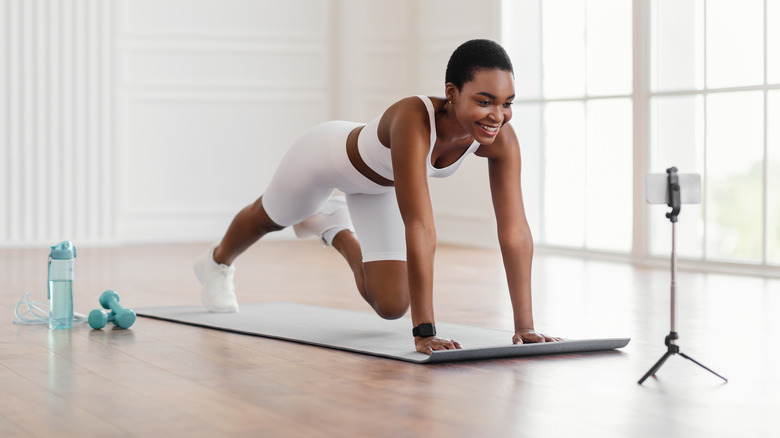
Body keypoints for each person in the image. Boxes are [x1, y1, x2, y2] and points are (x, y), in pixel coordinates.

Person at [194, 39, 561, 355]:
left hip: (378, 188)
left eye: (507, 102)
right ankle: (216, 263)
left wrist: (525, 326)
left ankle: (333, 226)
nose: (498, 115)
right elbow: (419, 224)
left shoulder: (501, 140)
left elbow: (514, 231)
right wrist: (425, 331)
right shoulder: (413, 117)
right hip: (323, 160)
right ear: (452, 93)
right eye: (485, 101)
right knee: (268, 218)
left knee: (390, 305)